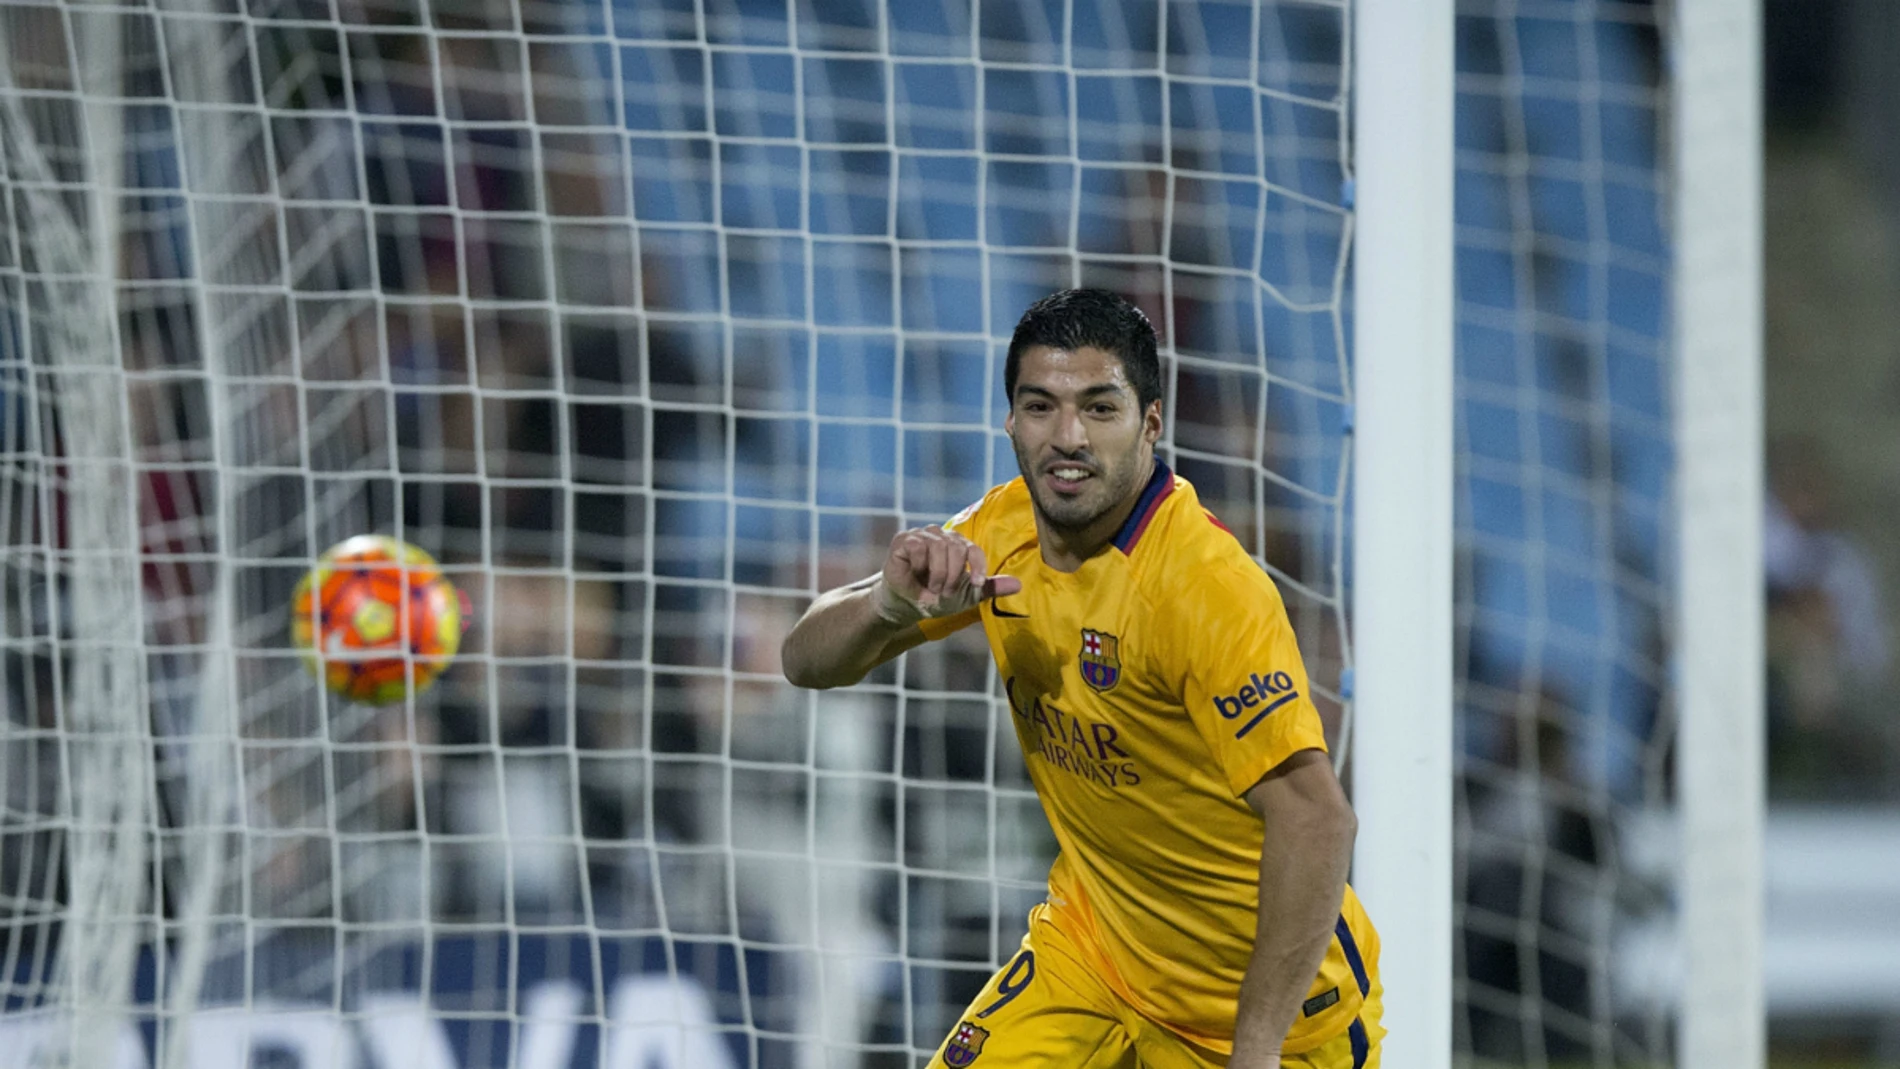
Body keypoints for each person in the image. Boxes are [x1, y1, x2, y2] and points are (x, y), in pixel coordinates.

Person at [781, 289, 1382, 1069]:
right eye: (1041, 406)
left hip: (1262, 1008)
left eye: (1100, 408)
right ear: (1010, 421)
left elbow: (1318, 819)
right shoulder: (1001, 533)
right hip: (1094, 953)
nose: (1068, 437)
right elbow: (804, 660)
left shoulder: (1203, 588)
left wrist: (1256, 1050)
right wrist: (889, 608)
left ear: (1152, 423)